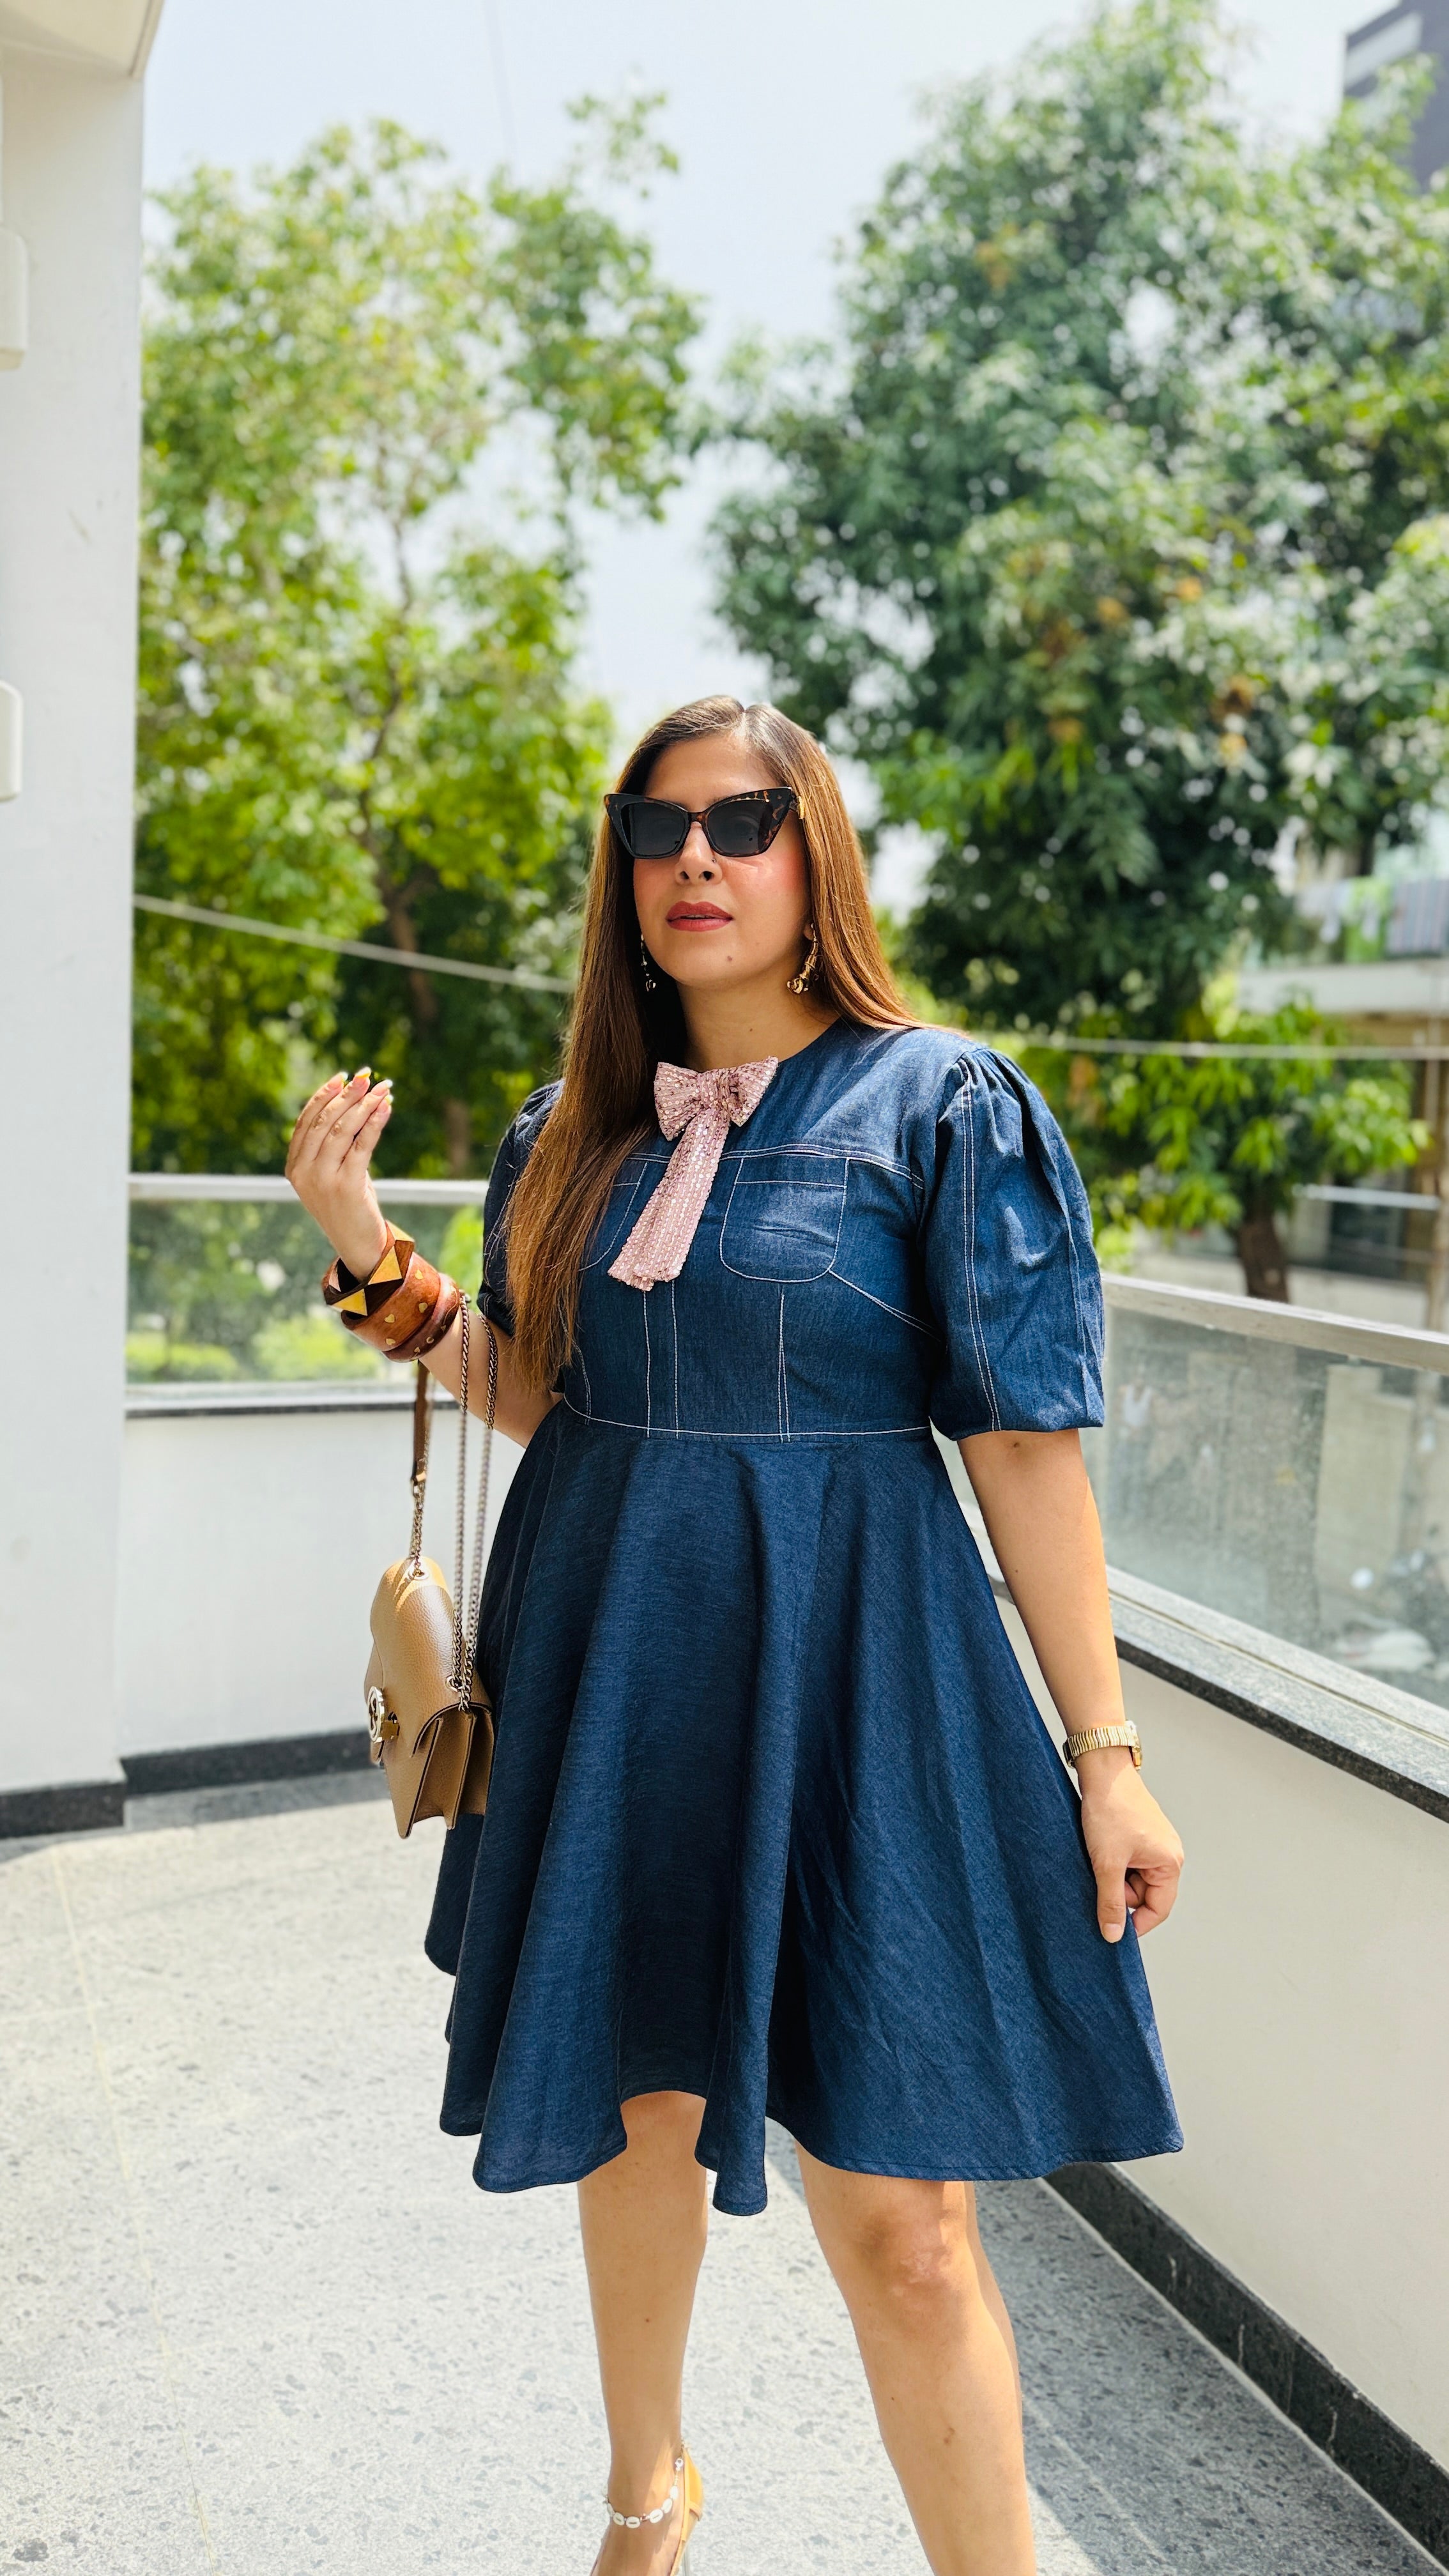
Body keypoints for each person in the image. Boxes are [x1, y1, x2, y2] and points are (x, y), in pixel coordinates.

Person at [286, 695, 1184, 2576]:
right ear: (619, 878)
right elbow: (537, 1392)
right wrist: (369, 1249)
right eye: (656, 830)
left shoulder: (942, 1104)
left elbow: (1024, 1445)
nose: (696, 857)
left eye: (745, 821)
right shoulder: (569, 1126)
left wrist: (1106, 1755)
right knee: (633, 2099)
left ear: (813, 855)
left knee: (910, 2221)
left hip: (861, 1669)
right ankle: (648, 2493)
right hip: (615, 1647)